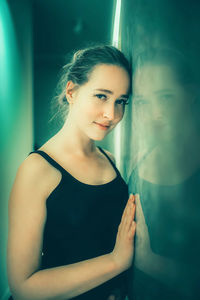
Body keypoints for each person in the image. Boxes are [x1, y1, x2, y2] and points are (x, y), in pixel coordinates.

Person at [7, 45, 136, 300]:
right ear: (72, 92)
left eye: (121, 101)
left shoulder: (109, 160)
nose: (112, 114)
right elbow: (23, 287)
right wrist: (116, 262)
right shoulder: (37, 170)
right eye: (101, 96)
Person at [127, 48, 200, 299]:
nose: (153, 114)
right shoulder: (138, 165)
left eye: (166, 97)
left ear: (191, 94)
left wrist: (150, 261)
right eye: (142, 102)